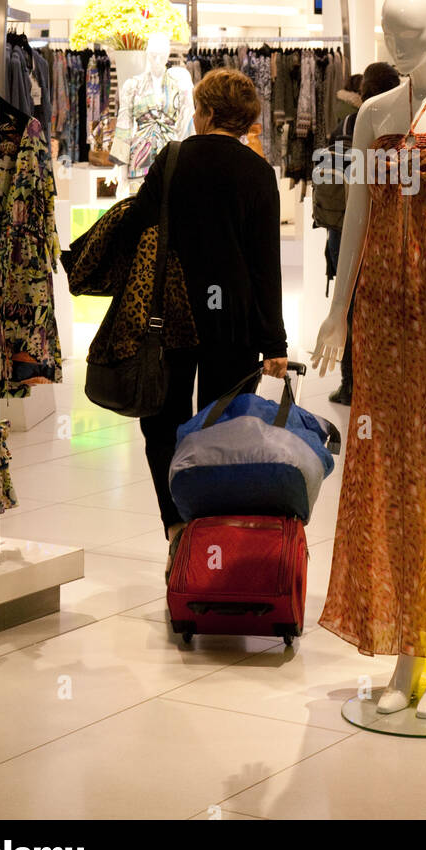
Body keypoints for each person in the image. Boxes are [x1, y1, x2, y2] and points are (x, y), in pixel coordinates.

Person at [125, 68, 288, 579]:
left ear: (208, 112)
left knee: (163, 424)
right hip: (232, 321)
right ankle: (214, 533)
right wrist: (274, 341)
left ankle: (177, 529)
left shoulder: (172, 160)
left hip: (169, 316)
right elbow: (265, 262)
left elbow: (134, 230)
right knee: (220, 428)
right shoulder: (258, 172)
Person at [324, 62, 399, 405]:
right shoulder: (405, 123)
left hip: (347, 226)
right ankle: (385, 379)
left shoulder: (349, 123)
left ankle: (351, 383)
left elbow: (332, 175)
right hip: (389, 227)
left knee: (352, 304)